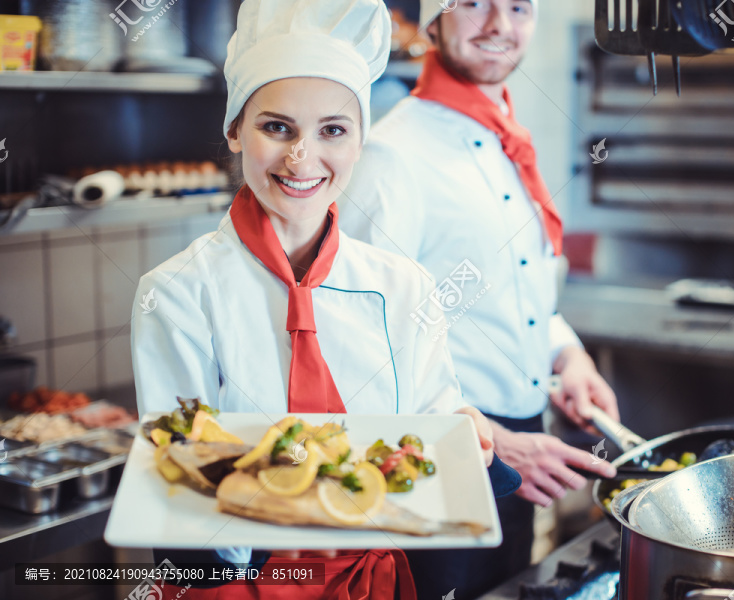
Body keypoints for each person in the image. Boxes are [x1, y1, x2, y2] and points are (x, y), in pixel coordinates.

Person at [130, 0, 498, 598]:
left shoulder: (406, 287)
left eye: (333, 130)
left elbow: (428, 432)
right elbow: (183, 487)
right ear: (234, 132)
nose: (302, 158)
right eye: (277, 127)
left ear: (360, 142)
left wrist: (461, 433)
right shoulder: (176, 294)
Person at [338, 0, 621, 595]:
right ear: (432, 19)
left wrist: (566, 354)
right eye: (473, 4)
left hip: (521, 446)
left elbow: (512, 283)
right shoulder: (392, 157)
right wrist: (488, 442)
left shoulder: (504, 137)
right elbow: (360, 347)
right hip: (434, 458)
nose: (499, 25)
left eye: (519, 7)